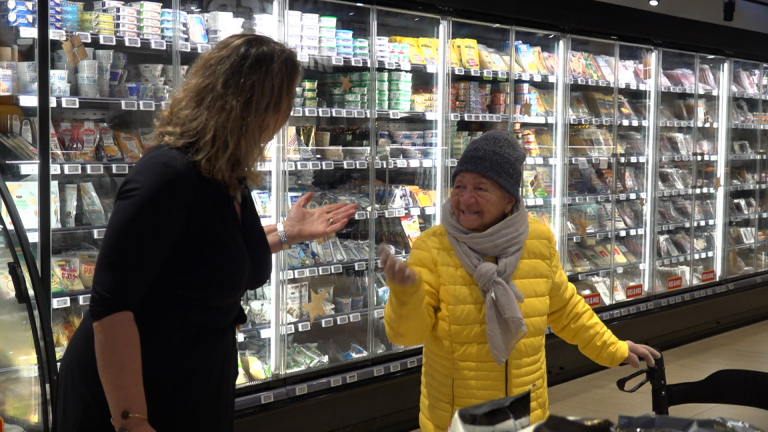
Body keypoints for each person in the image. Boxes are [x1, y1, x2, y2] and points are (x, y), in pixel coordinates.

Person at [55, 34, 357, 432]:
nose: (287, 115)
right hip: (135, 395)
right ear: (251, 106)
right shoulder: (167, 175)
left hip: (191, 383)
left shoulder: (226, 175)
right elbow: (112, 306)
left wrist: (287, 233)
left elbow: (204, 257)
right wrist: (133, 422)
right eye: (284, 101)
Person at [380, 131, 660, 432]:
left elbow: (566, 309)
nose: (464, 198)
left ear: (508, 199)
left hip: (525, 411)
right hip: (456, 417)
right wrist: (405, 295)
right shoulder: (432, 247)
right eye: (459, 185)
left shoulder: (537, 241)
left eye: (481, 188)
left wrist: (614, 348)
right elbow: (407, 335)